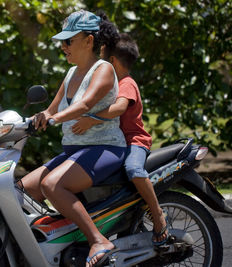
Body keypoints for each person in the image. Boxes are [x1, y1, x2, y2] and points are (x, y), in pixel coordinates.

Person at [19, 10, 126, 267]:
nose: (63, 46)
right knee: (23, 188)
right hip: (74, 151)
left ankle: (98, 240)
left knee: (53, 185)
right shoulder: (71, 74)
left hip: (105, 148)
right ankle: (58, 238)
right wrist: (39, 118)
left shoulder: (104, 69)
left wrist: (56, 119)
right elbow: (52, 108)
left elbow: (86, 104)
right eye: (62, 41)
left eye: (69, 41)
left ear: (89, 41)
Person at [71, 33, 169, 245]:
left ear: (113, 61)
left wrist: (91, 119)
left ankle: (157, 212)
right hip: (118, 143)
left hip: (135, 142)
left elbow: (119, 108)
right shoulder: (115, 84)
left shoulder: (126, 83)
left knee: (134, 169)